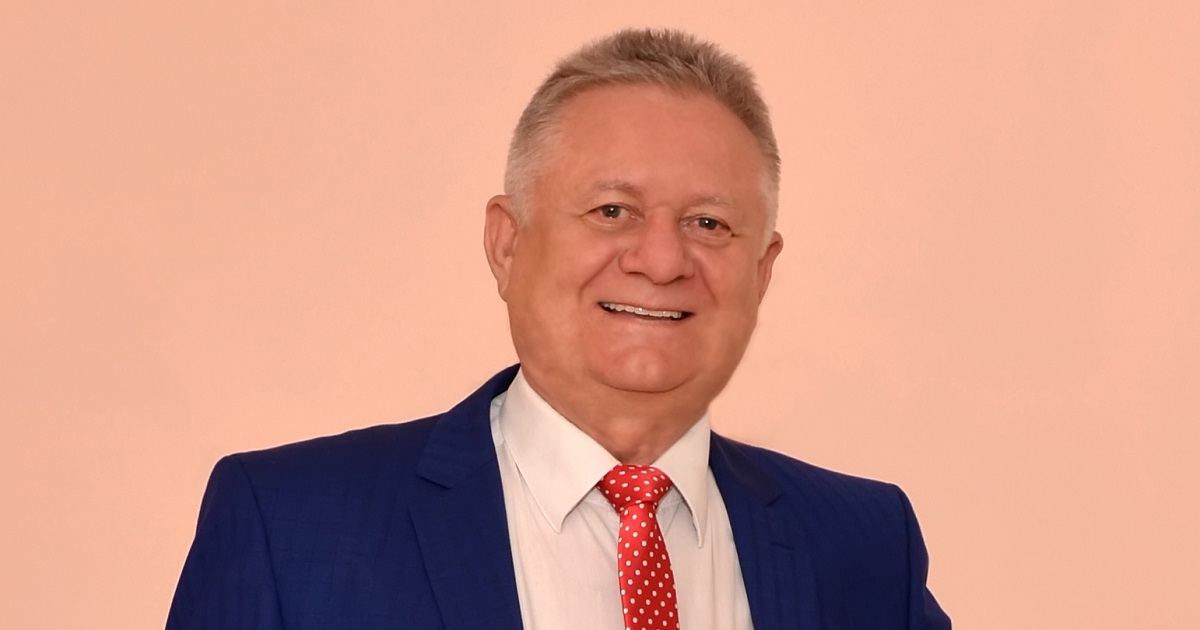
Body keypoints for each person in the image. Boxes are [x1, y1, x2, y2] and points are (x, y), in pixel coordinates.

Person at [167, 28, 950, 630]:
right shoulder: (291, 525)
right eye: (613, 211)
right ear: (507, 244)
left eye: (709, 223)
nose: (661, 260)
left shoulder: (865, 546)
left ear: (762, 271)